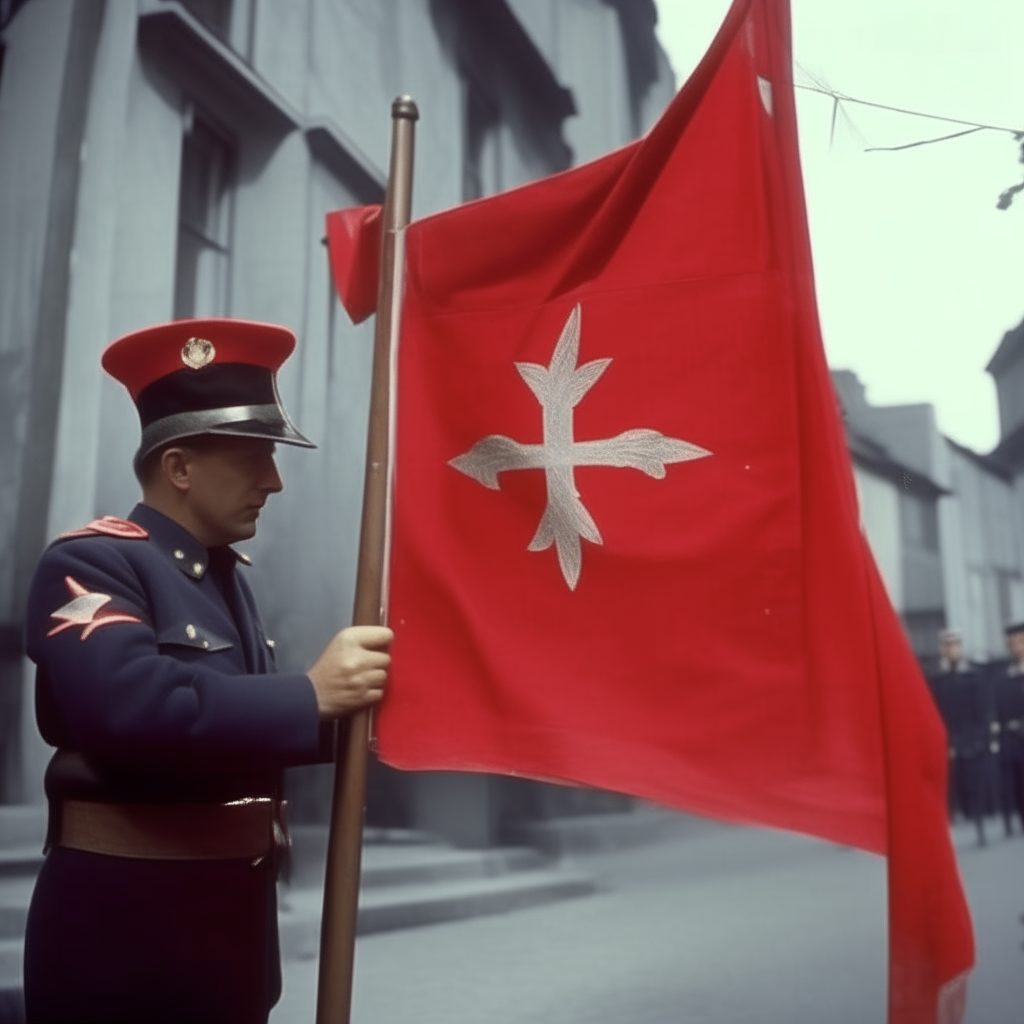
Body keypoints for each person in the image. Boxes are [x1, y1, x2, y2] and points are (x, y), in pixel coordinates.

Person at [22, 318, 392, 1024]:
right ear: (180, 468)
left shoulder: (223, 579)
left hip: (227, 927)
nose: (275, 481)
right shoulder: (92, 563)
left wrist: (373, 718)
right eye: (254, 456)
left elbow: (237, 735)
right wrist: (313, 696)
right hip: (124, 933)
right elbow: (132, 712)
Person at [927, 628, 994, 846]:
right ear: (941, 649)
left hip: (971, 739)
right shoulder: (937, 679)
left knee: (974, 784)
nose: (951, 649)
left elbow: (982, 710)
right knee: (949, 789)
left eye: (955, 644)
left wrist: (982, 739)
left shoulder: (974, 675)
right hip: (947, 740)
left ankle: (979, 827)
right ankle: (948, 833)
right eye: (947, 645)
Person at [991, 621, 1024, 837]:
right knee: (1018, 781)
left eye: (1019, 642)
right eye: (1010, 643)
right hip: (1013, 738)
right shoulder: (1003, 678)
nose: (1015, 647)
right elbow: (997, 711)